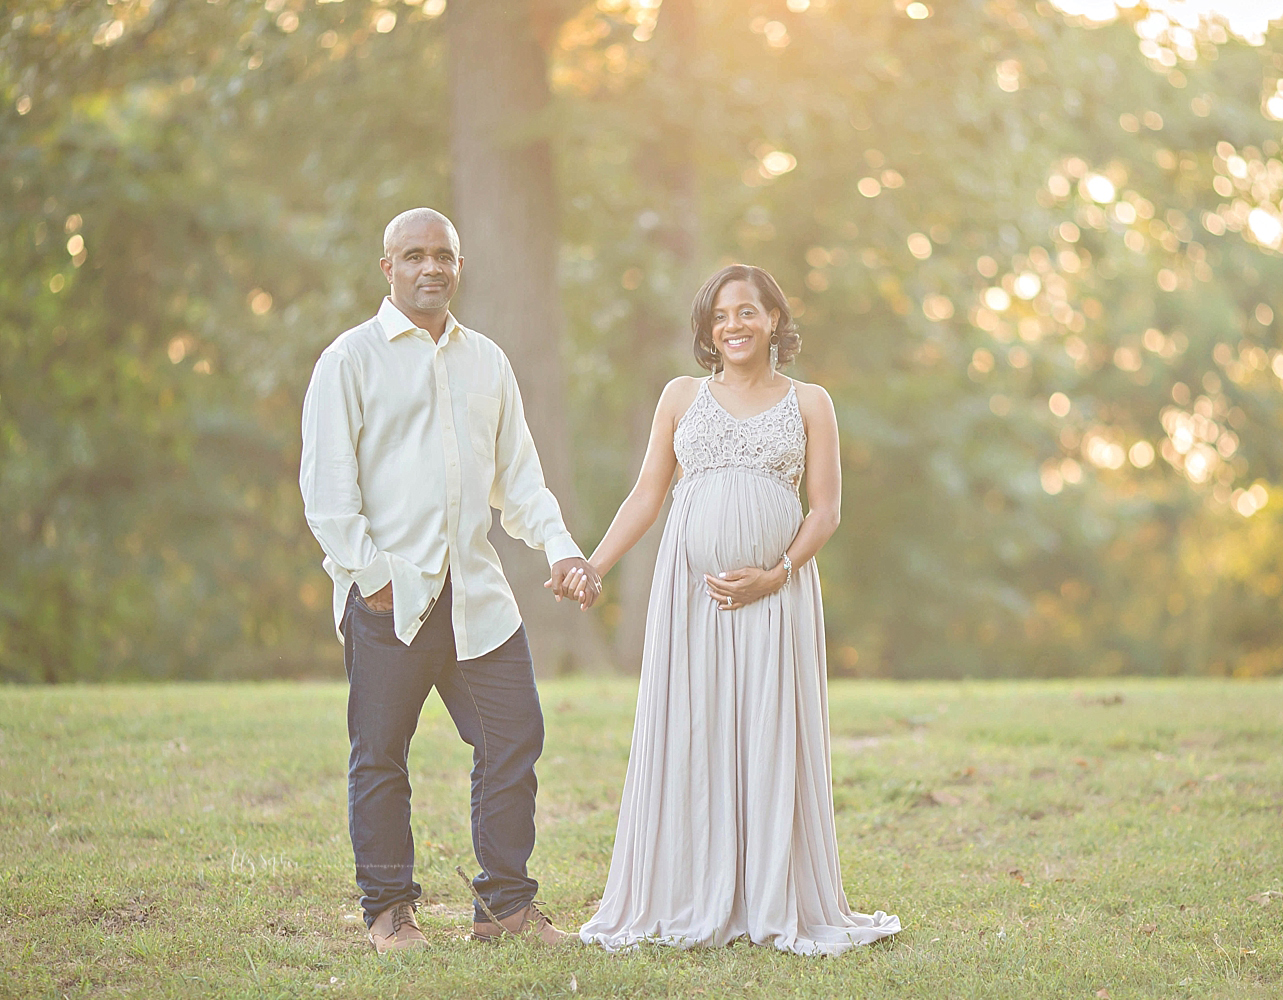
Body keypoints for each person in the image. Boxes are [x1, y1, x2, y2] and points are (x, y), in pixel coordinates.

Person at [575, 264, 901, 954]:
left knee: (765, 729)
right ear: (707, 328)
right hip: (688, 597)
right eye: (721, 316)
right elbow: (646, 496)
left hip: (775, 597)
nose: (734, 326)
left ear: (776, 320)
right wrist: (593, 565)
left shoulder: (810, 401)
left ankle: (769, 894)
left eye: (748, 312)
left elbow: (828, 510)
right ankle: (689, 891)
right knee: (691, 730)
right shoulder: (679, 396)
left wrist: (776, 573)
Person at [299, 208, 599, 954]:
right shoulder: (350, 360)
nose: (430, 268)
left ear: (459, 265)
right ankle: (388, 912)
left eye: (443, 256)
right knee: (381, 755)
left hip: (479, 600)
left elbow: (520, 482)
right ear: (387, 267)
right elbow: (328, 492)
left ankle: (503, 910)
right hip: (390, 601)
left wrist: (560, 550)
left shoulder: (487, 362)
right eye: (414, 256)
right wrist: (372, 579)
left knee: (513, 737)